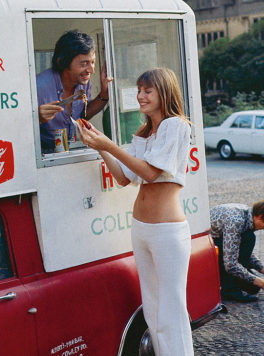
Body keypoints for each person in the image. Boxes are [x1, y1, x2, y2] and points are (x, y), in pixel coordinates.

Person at [79, 68, 194, 356]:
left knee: (171, 311)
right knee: (153, 310)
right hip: (141, 227)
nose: (140, 96)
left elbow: (152, 173)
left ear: (164, 93)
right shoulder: (145, 133)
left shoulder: (176, 126)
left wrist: (109, 145)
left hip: (167, 230)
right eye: (139, 90)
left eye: (147, 90)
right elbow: (123, 177)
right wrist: (99, 144)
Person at [36, 30, 112, 153]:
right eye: (84, 64)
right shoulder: (39, 87)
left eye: (93, 62)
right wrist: (35, 119)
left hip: (69, 152)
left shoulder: (83, 82)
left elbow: (83, 115)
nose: (91, 70)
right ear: (62, 62)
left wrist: (104, 95)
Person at [210, 201, 264, 302]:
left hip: (220, 244)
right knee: (249, 238)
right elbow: (230, 264)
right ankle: (230, 290)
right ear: (260, 216)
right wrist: (261, 282)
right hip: (209, 249)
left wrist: (261, 268)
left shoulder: (248, 214)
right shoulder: (236, 221)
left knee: (253, 288)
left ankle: (233, 282)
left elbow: (240, 248)